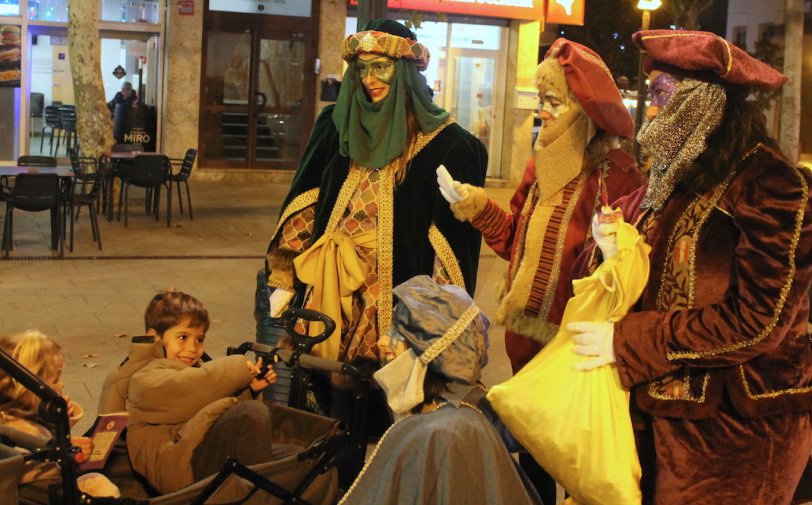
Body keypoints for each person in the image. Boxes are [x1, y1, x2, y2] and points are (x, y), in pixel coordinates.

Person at [568, 30, 812, 504]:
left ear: (703, 101)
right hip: (657, 413)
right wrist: (615, 249)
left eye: (662, 95)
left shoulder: (769, 183)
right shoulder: (677, 178)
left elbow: (759, 321)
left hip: (737, 432)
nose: (653, 114)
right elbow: (657, 277)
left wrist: (627, 341)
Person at [438, 38, 642, 503]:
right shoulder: (539, 165)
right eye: (541, 101)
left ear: (583, 108)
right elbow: (515, 242)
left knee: (574, 461)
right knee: (531, 457)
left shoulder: (617, 175)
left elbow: (625, 269)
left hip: (575, 345)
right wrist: (475, 207)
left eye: (554, 102)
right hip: (525, 338)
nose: (544, 112)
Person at [264, 20, 487, 416]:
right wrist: (284, 277)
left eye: (380, 66)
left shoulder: (451, 145)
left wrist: (432, 325)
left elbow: (450, 247)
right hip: (331, 287)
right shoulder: (335, 127)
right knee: (324, 404)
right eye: (362, 68)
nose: (370, 79)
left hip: (391, 297)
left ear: (403, 70)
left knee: (387, 407)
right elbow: (305, 201)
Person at [338, 275, 541, 505]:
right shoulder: (448, 413)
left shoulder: (440, 433)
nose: (383, 341)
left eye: (399, 332)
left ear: (434, 351)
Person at [124, 290, 277, 494]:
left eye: (199, 339)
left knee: (300, 456)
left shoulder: (193, 371)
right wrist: (238, 369)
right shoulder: (144, 377)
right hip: (178, 464)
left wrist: (249, 388)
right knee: (253, 415)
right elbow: (192, 389)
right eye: (182, 337)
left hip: (196, 447)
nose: (192, 348)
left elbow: (204, 403)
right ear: (155, 337)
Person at [0, 328, 120, 497]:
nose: (60, 385)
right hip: (43, 494)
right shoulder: (18, 430)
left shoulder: (13, 417)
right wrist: (64, 452)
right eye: (55, 380)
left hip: (45, 489)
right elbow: (26, 469)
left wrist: (62, 419)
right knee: (99, 485)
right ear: (27, 388)